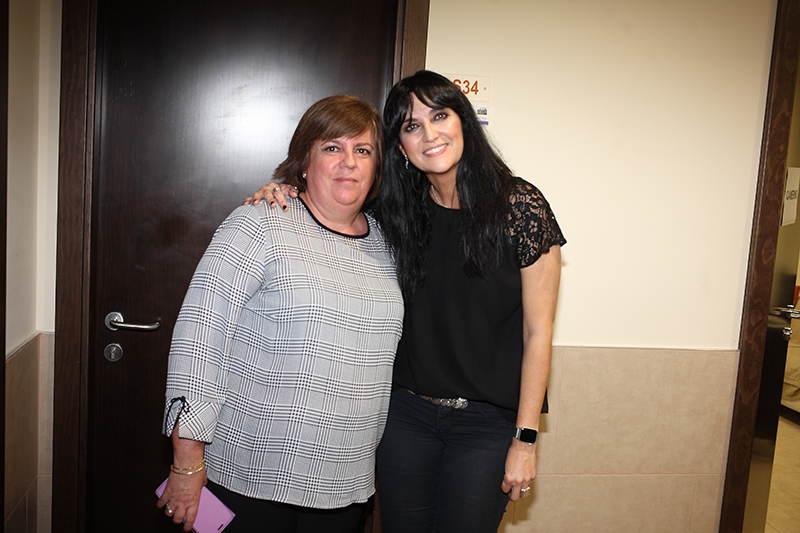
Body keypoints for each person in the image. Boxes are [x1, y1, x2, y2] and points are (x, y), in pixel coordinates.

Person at [250, 70, 566, 533]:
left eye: (440, 116)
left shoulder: (519, 206)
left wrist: (525, 440)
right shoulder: (396, 211)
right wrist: (287, 191)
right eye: (412, 126)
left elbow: (538, 333)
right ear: (399, 146)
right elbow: (333, 205)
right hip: (406, 419)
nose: (430, 134)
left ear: (463, 122)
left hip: (486, 425)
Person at [157, 94, 405, 533]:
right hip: (249, 477)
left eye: (363, 150)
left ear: (377, 167)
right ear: (305, 160)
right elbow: (200, 339)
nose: (349, 162)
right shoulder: (261, 222)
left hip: (344, 486)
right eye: (333, 147)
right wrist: (187, 461)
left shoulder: (387, 246)